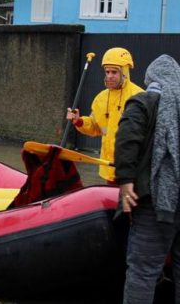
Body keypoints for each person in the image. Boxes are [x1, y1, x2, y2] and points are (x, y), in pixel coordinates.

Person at [115, 54, 180, 304]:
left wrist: (126, 180)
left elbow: (127, 139)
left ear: (150, 78)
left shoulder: (143, 102)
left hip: (156, 202)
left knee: (143, 272)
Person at [66, 47, 144, 183]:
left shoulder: (140, 97)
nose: (109, 76)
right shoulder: (100, 99)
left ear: (125, 72)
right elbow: (96, 127)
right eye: (107, 72)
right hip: (108, 169)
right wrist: (79, 121)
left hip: (133, 172)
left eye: (114, 72)